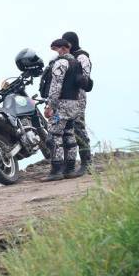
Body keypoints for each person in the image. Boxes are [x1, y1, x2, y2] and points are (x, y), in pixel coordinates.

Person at [43, 39, 86, 181]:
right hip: (74, 104)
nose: (57, 52)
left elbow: (56, 86)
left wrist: (50, 106)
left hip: (61, 106)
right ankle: (70, 169)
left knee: (54, 135)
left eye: (56, 49)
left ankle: (56, 170)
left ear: (63, 48)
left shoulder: (61, 63)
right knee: (69, 134)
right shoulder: (77, 63)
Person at [62, 31, 93, 174]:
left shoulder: (81, 56)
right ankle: (70, 164)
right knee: (67, 129)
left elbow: (85, 78)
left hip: (78, 96)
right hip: (67, 98)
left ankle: (87, 163)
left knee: (78, 127)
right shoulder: (67, 57)